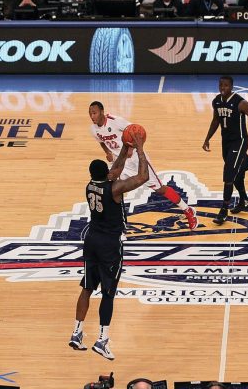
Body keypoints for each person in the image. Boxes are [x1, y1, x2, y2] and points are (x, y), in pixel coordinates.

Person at [69, 128, 149, 361]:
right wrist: (140, 149)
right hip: (109, 244)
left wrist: (126, 147)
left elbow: (116, 169)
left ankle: (77, 332)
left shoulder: (91, 185)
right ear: (107, 173)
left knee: (86, 287)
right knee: (108, 293)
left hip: (91, 239)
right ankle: (102, 340)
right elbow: (142, 177)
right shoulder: (114, 189)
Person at [86, 101, 198, 231]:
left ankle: (187, 210)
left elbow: (134, 130)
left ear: (102, 112)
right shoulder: (93, 129)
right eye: (90, 114)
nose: (92, 116)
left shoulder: (115, 121)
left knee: (160, 189)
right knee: (114, 191)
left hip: (136, 158)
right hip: (119, 163)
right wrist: (107, 152)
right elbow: (101, 141)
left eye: (94, 113)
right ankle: (120, 225)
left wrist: (130, 148)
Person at [203, 76, 248, 225]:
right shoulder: (216, 101)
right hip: (226, 142)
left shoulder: (240, 103)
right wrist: (207, 138)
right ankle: (244, 200)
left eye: (226, 85)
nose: (223, 88)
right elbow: (216, 121)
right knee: (237, 173)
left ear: (232, 87)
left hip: (240, 141)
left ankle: (223, 210)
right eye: (221, 85)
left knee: (228, 175)